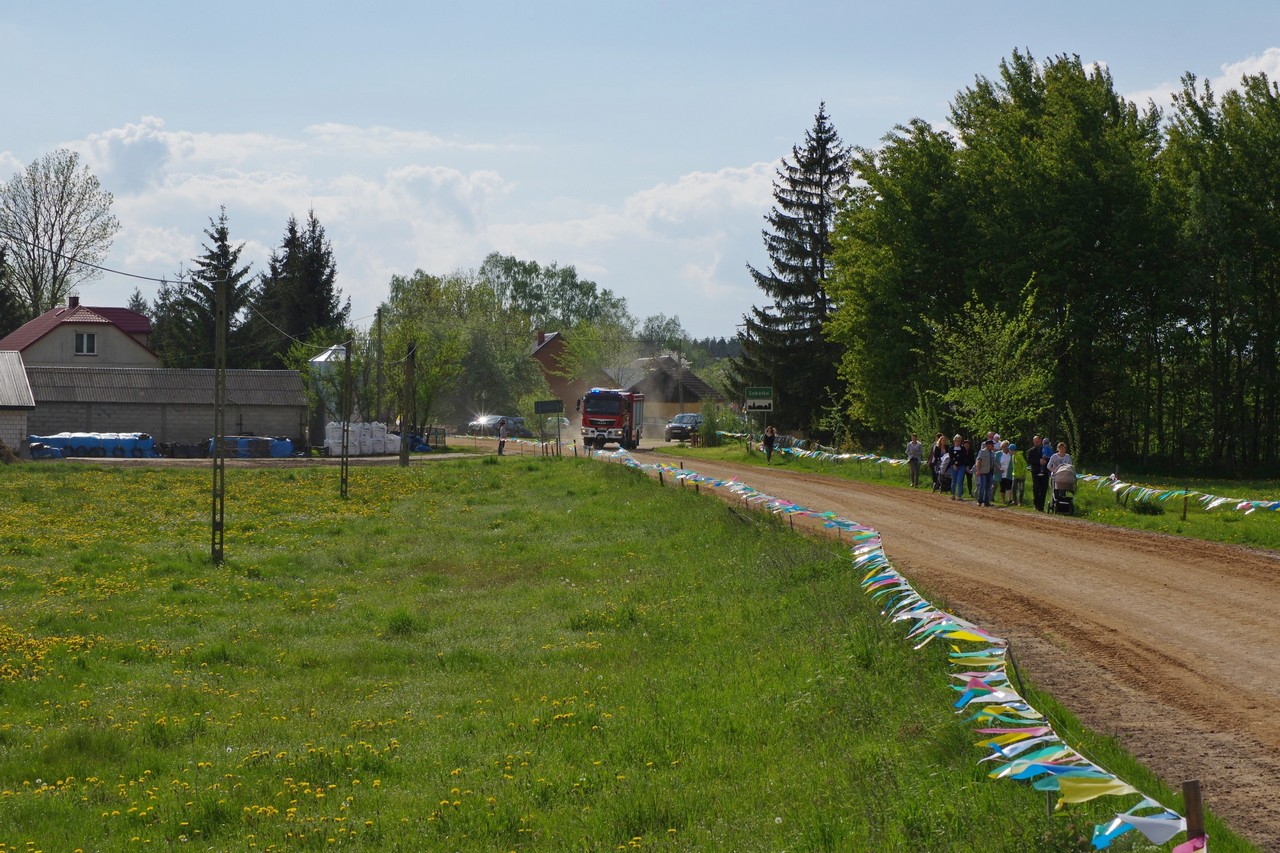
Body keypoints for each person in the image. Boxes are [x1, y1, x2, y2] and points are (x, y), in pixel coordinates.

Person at [973, 438, 998, 507]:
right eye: (992, 445)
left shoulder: (993, 453)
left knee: (988, 487)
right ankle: (980, 501)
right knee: (983, 486)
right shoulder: (982, 452)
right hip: (983, 471)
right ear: (987, 445)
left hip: (990, 472)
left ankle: (987, 501)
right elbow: (978, 461)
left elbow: (994, 462)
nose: (993, 446)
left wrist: (999, 468)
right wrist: (978, 470)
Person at [1028, 435, 1050, 511]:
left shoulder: (1045, 448)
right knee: (1036, 488)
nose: (1037, 443)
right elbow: (1029, 460)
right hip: (1035, 471)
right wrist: (1038, 461)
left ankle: (1041, 506)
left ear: (1040, 441)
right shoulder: (1031, 451)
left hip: (1045, 471)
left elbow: (1050, 457)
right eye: (1035, 442)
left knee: (1044, 488)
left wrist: (1045, 461)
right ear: (1033, 442)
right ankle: (1036, 504)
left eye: (1038, 441)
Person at [949, 434, 968, 501]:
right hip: (953, 466)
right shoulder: (951, 448)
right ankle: (953, 494)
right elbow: (951, 458)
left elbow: (965, 457)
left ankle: (959, 495)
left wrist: (966, 465)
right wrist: (953, 464)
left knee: (960, 481)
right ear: (954, 441)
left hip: (961, 466)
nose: (958, 442)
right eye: (957, 441)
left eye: (959, 441)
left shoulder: (962, 448)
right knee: (954, 481)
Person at [998, 440, 1013, 505]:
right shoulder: (998, 454)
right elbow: (996, 462)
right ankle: (1003, 500)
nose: (1005, 448)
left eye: (1007, 446)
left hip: (1009, 473)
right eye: (1004, 447)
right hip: (1001, 473)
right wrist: (999, 468)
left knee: (1009, 486)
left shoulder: (1011, 454)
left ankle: (1009, 499)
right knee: (1002, 487)